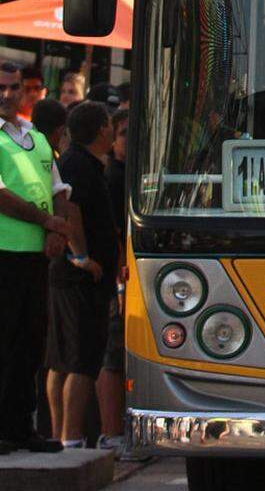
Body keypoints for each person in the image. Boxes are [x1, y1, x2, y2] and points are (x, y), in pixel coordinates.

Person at [0, 62, 83, 453]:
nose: (7, 94)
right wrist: (48, 221)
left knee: (31, 343)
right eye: (1, 87)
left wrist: (58, 227)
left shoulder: (33, 135)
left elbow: (58, 186)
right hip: (4, 253)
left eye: (14, 87)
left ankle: (21, 426)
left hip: (34, 256)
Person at [45, 102, 116, 448]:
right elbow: (69, 207)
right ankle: (70, 437)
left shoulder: (80, 162)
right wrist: (83, 256)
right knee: (80, 361)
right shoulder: (77, 164)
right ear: (103, 128)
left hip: (73, 277)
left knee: (62, 360)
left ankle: (62, 436)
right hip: (78, 279)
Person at [98, 108, 129, 453]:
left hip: (123, 272)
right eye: (122, 133)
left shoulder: (127, 172)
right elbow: (115, 230)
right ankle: (110, 432)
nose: (127, 140)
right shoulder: (112, 175)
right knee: (112, 352)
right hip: (115, 275)